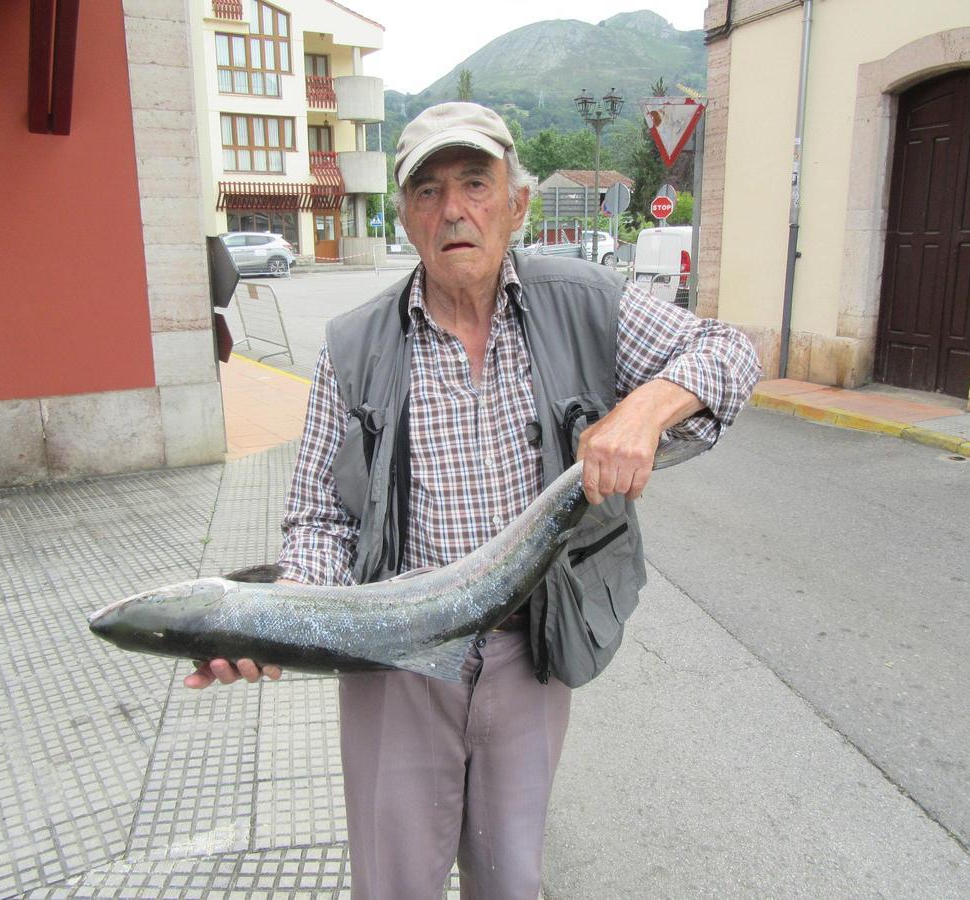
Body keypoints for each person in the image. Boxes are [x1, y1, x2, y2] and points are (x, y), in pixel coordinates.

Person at [186, 102, 761, 899]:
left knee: (509, 878)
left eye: (474, 183)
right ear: (407, 217)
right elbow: (321, 515)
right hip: (393, 661)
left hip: (531, 653)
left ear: (516, 204)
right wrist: (281, 617)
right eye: (426, 191)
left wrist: (646, 407)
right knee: (394, 885)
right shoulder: (352, 347)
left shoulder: (585, 302)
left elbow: (729, 350)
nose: (452, 209)